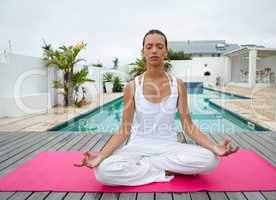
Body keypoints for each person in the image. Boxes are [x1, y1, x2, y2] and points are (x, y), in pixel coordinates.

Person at [74, 29, 239, 186]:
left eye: (159, 47)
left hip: (168, 147)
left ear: (165, 52)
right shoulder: (132, 86)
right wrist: (101, 156)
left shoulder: (178, 84)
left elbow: (188, 126)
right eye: (149, 46)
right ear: (143, 51)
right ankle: (167, 171)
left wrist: (214, 147)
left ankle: (146, 167)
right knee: (102, 171)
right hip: (137, 147)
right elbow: (124, 129)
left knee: (210, 159)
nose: (154, 50)